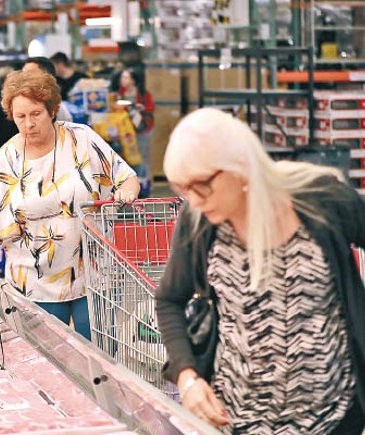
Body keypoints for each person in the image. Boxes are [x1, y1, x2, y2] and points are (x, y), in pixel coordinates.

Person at [155, 108, 365, 434]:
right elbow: (169, 299)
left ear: (240, 167)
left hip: (332, 417)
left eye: (202, 185)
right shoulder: (198, 223)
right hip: (238, 418)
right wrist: (188, 377)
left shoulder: (323, 202)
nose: (194, 201)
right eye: (184, 189)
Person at [0, 70, 140, 339]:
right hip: (34, 282)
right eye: (20, 116)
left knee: (99, 360)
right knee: (49, 364)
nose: (28, 123)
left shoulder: (82, 139)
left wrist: (126, 193)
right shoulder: (8, 158)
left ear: (52, 109)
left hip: (93, 275)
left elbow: (126, 177)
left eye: (35, 114)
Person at [114, 68, 155, 197]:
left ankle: (143, 184)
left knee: (141, 157)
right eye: (122, 77)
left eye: (126, 77)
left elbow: (151, 108)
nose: (123, 80)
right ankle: (131, 183)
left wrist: (141, 108)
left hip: (141, 129)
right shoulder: (119, 93)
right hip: (126, 131)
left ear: (133, 80)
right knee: (128, 156)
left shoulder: (143, 94)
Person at [22, 57, 72, 122]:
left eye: (29, 73)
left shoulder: (58, 110)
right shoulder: (17, 103)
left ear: (46, 77)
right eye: (23, 74)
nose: (23, 78)